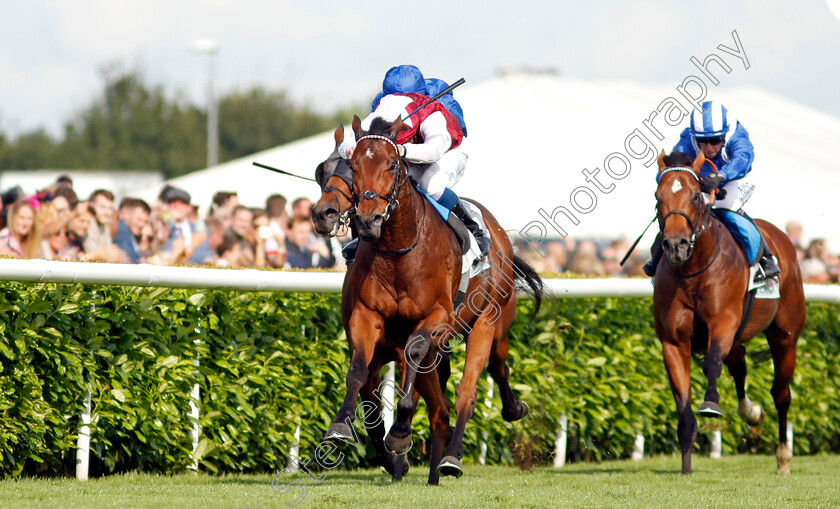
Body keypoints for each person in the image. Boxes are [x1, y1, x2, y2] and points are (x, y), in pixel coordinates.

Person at [339, 64, 490, 259]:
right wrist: (350, 149)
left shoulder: (431, 111)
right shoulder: (381, 108)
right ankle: (364, 237)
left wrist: (402, 149)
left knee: (431, 186)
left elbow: (435, 150)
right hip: (408, 157)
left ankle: (473, 228)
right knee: (384, 183)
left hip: (448, 152)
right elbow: (347, 139)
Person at [643, 101, 781, 282]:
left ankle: (765, 258)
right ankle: (658, 254)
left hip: (737, 179)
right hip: (704, 182)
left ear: (724, 135)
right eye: (703, 142)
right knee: (684, 207)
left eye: (715, 141)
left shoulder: (736, 136)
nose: (709, 148)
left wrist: (721, 176)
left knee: (727, 210)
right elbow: (673, 169)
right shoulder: (688, 138)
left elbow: (742, 160)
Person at [113, 198, 151, 264]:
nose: (142, 225)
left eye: (145, 221)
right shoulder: (122, 230)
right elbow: (128, 261)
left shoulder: (129, 233)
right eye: (139, 219)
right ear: (126, 214)